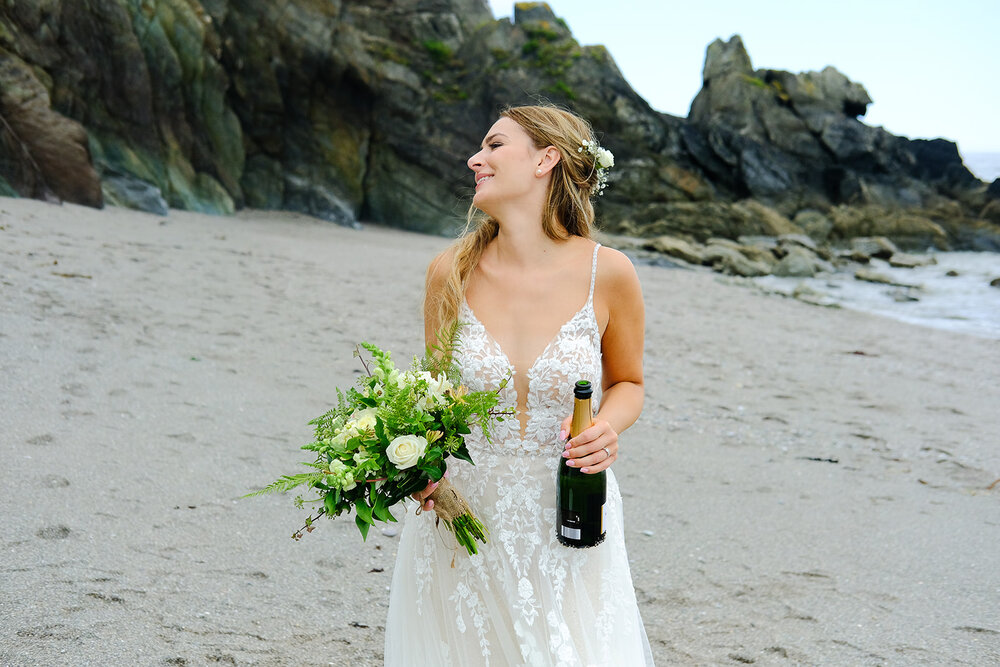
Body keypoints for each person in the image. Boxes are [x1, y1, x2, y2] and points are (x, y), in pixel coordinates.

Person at [384, 104, 654, 666]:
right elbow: (432, 401)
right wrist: (418, 469)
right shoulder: (449, 272)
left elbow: (628, 382)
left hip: (569, 512)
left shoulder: (609, 273)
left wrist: (605, 427)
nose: (474, 158)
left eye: (494, 145)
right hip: (463, 516)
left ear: (546, 159)